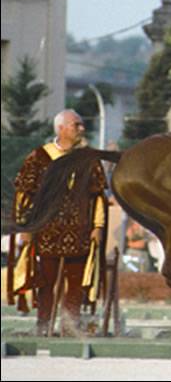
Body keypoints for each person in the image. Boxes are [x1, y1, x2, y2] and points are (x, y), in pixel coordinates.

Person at [8, 109, 107, 336]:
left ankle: (69, 326)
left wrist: (98, 227)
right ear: (61, 128)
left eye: (81, 125)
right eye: (76, 125)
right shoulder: (38, 158)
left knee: (75, 283)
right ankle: (43, 326)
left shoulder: (88, 160)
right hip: (47, 231)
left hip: (80, 231)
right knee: (46, 281)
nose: (81, 129)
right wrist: (25, 228)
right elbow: (25, 196)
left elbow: (98, 196)